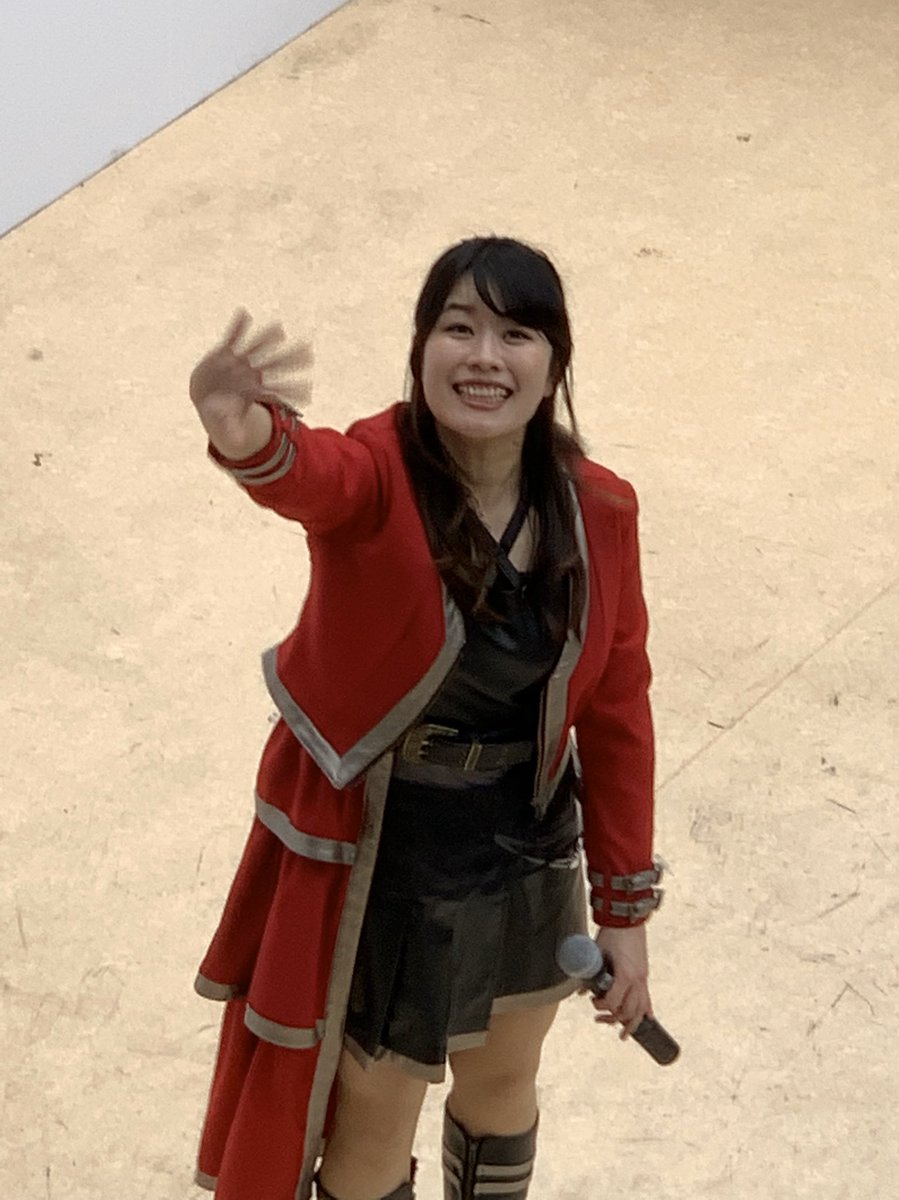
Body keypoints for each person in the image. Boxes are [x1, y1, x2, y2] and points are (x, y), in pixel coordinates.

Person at [188, 236, 664, 1200]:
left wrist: (624, 914)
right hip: (391, 855)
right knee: (374, 1115)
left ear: (554, 366)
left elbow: (618, 715)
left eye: (515, 334)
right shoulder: (377, 472)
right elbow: (307, 474)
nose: (484, 356)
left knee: (505, 1082)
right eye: (459, 328)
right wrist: (242, 430)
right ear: (420, 349)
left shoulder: (599, 510)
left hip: (526, 843)